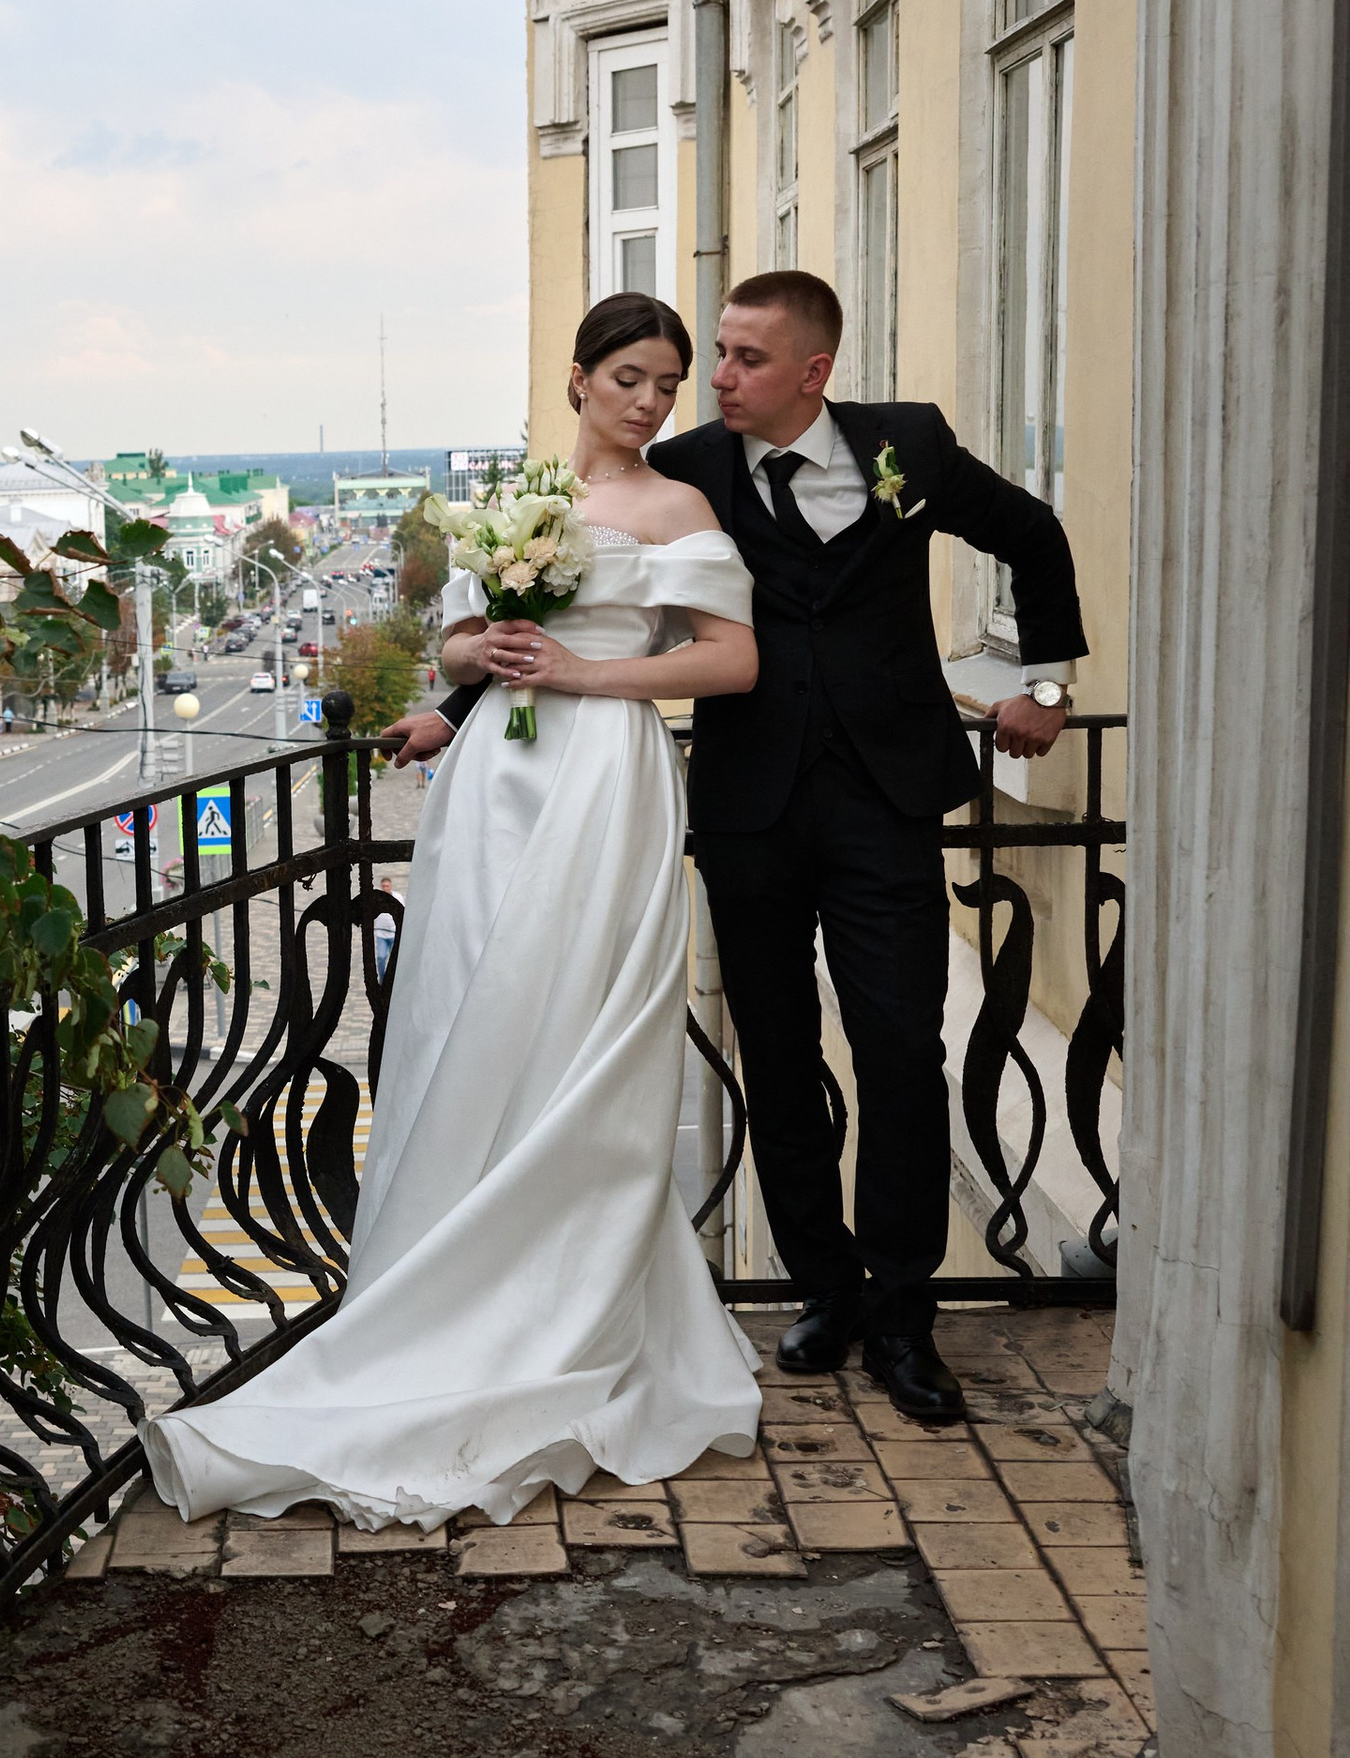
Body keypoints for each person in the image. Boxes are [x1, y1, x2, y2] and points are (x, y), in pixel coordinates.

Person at [407, 269, 1086, 1428]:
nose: (708, 382)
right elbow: (562, 601)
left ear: (811, 373)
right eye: (704, 358)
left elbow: (1031, 533)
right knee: (774, 1053)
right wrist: (455, 710)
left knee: (898, 1050)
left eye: (739, 361)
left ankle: (906, 1313)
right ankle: (823, 1291)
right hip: (748, 807)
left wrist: (1045, 682)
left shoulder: (905, 448)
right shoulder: (686, 471)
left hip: (885, 803)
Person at [144, 295, 762, 1533]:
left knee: (586, 1032)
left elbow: (730, 662)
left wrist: (587, 672)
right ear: (579, 378)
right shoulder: (518, 497)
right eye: (630, 378)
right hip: (495, 789)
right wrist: (476, 664)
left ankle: (569, 1312)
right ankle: (436, 1290)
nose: (651, 403)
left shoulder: (679, 509)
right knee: (468, 1016)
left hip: (606, 782)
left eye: (671, 385)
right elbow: (466, 649)